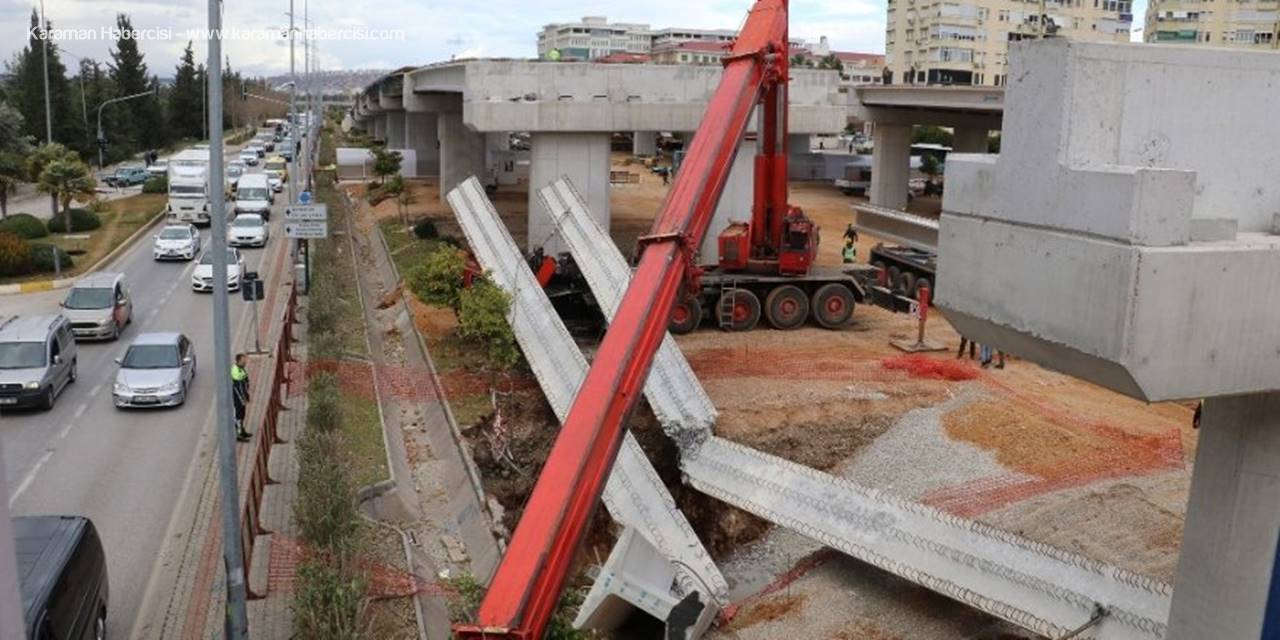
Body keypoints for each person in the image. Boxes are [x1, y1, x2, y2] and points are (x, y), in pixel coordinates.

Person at [231, 353, 252, 441]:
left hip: (241, 396)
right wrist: (244, 397)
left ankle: (242, 431)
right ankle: (239, 435)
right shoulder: (236, 372)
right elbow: (239, 387)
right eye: (243, 361)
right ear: (239, 361)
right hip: (238, 397)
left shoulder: (240, 368)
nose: (245, 362)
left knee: (242, 414)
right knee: (238, 416)